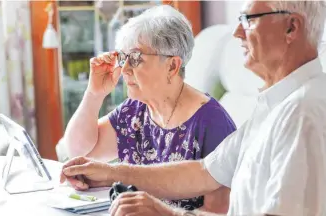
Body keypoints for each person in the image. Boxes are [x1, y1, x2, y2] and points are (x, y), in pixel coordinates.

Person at [61, 0, 326, 215]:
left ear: (291, 27)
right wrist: (109, 173)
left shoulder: (301, 113)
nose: (236, 33)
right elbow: (203, 172)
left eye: (249, 20)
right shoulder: (274, 106)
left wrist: (167, 214)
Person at [63, 5, 236, 212]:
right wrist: (94, 94)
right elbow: (79, 150)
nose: (125, 69)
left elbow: (217, 212)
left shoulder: (212, 123)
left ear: (172, 66)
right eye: (123, 58)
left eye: (135, 58)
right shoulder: (135, 111)